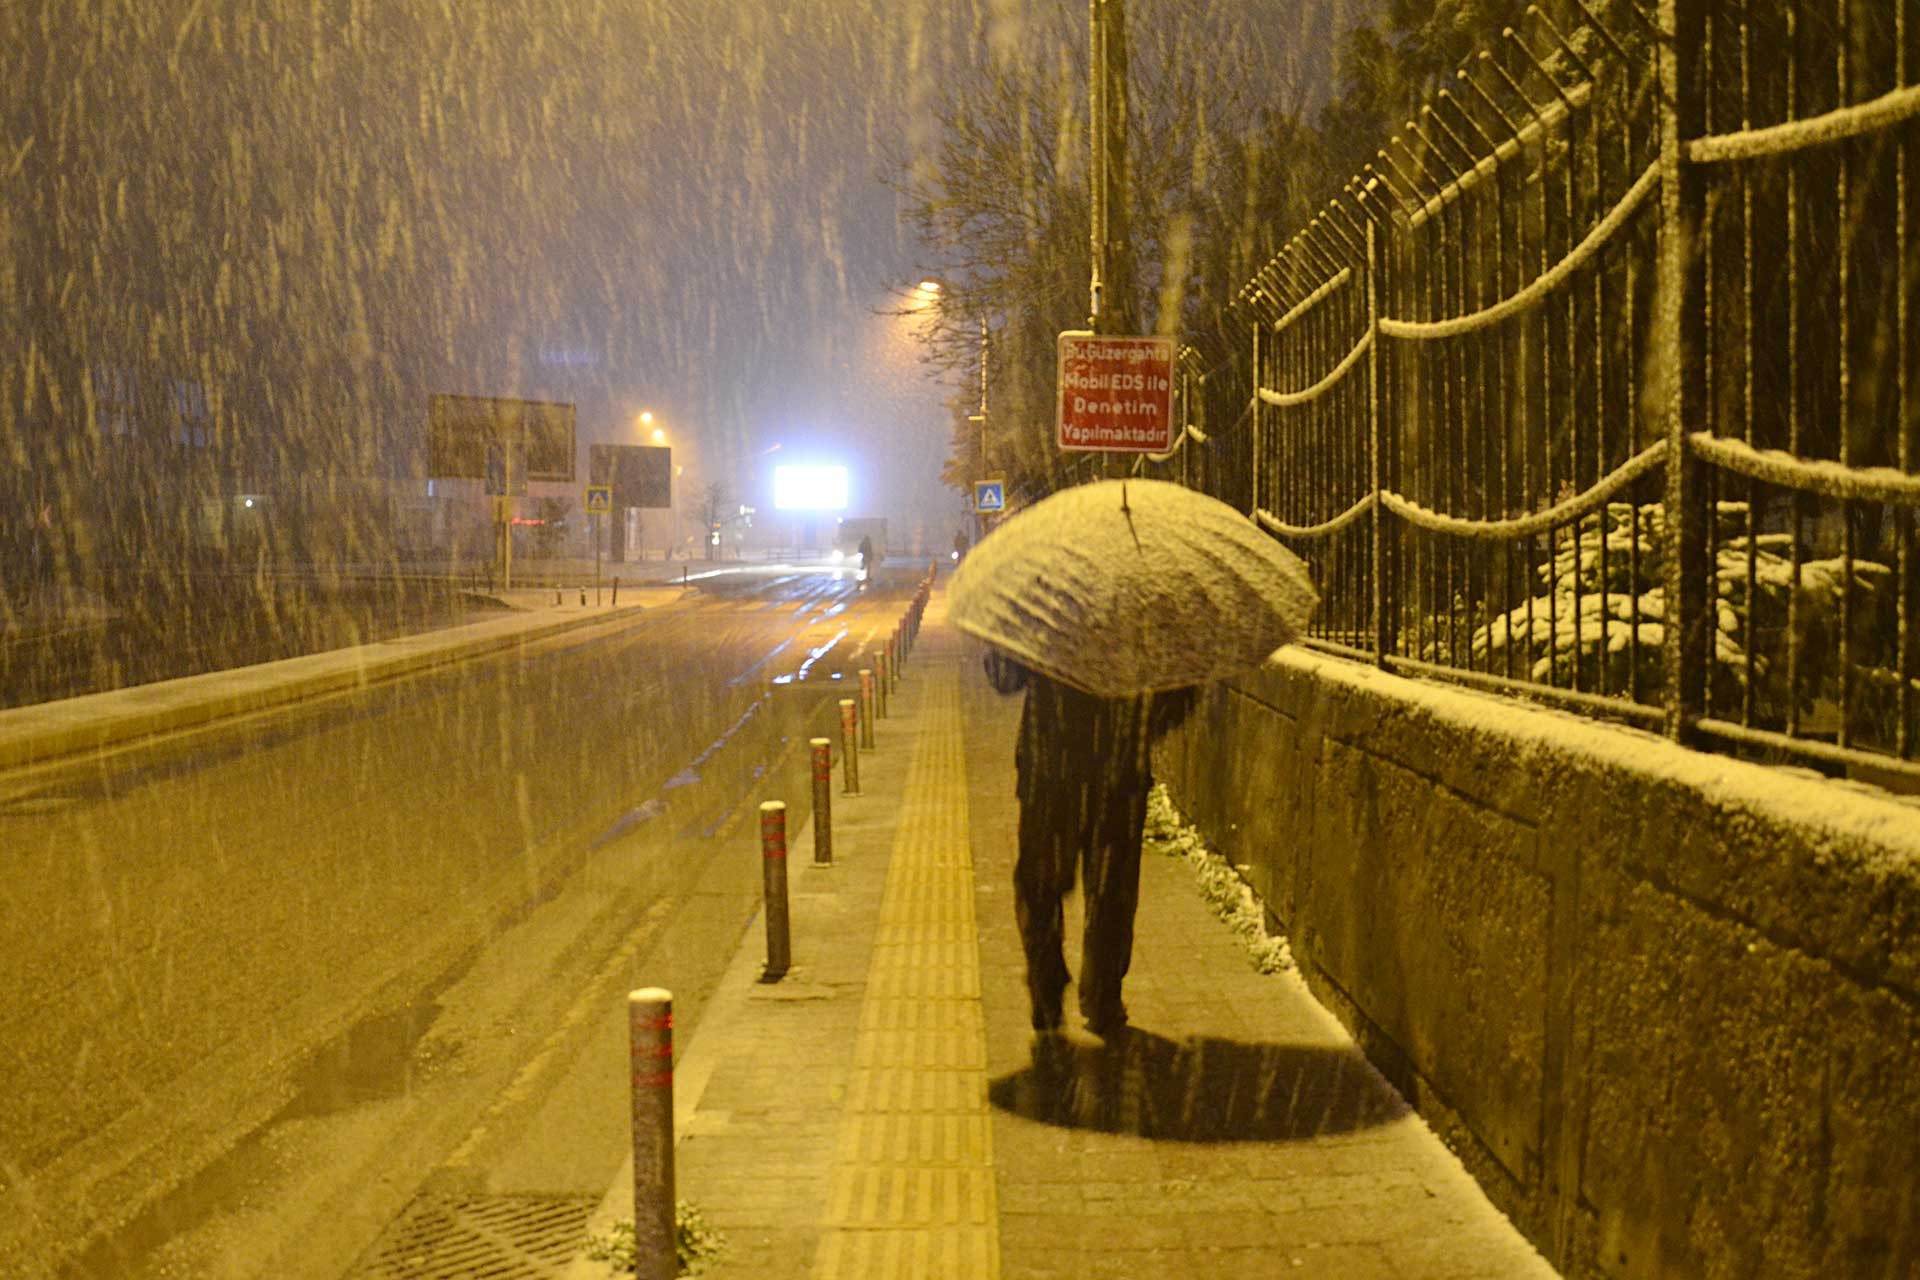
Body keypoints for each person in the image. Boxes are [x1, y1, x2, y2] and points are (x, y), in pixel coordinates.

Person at [984, 650, 1196, 1040]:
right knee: (1108, 889)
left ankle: (1052, 987)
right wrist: (1139, 722)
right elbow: (1180, 694)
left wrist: (1005, 645)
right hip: (1112, 770)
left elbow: (1004, 679)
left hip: (1052, 767)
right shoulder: (1144, 610)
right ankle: (1100, 995)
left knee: (1044, 885)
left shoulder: (1043, 600)